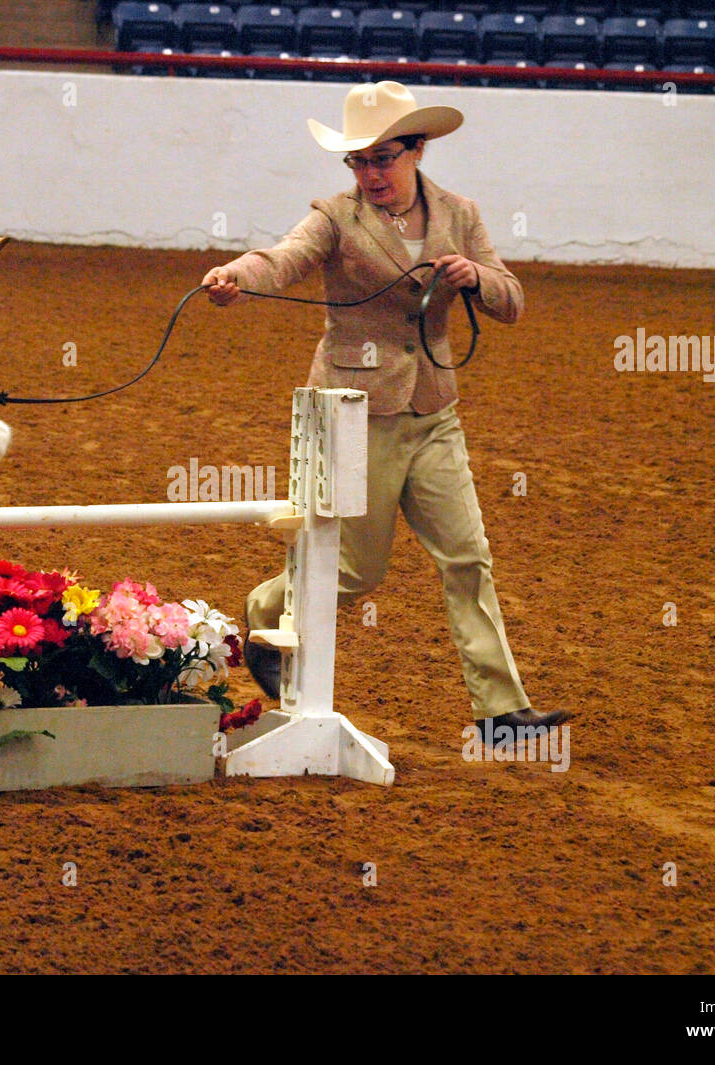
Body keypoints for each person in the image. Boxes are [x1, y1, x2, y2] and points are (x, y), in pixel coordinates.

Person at [202, 81, 569, 740]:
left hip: (434, 408)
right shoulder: (335, 216)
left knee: (467, 558)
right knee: (357, 571)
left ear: (417, 149)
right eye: (358, 161)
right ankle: (267, 606)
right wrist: (235, 276)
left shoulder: (460, 214)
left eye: (383, 158)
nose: (370, 173)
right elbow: (281, 259)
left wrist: (476, 279)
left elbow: (511, 300)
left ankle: (500, 709)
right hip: (355, 413)